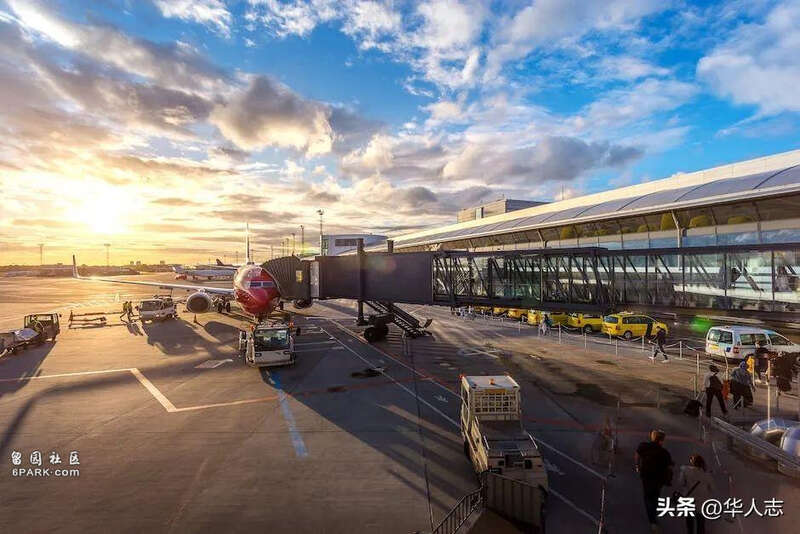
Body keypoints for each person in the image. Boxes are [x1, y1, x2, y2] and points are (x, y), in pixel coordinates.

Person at [635, 429, 674, 532]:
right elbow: (669, 466)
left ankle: (652, 520)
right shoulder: (665, 453)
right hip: (659, 479)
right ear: (661, 440)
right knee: (655, 497)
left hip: (646, 476)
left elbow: (637, 455)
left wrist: (637, 466)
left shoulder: (643, 446)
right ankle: (653, 517)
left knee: (647, 497)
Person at [677, 454, 714, 534]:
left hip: (688, 498)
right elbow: (712, 488)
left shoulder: (685, 470)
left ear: (692, 462)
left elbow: (680, 483)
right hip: (701, 500)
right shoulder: (706, 474)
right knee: (700, 522)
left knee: (689, 521)